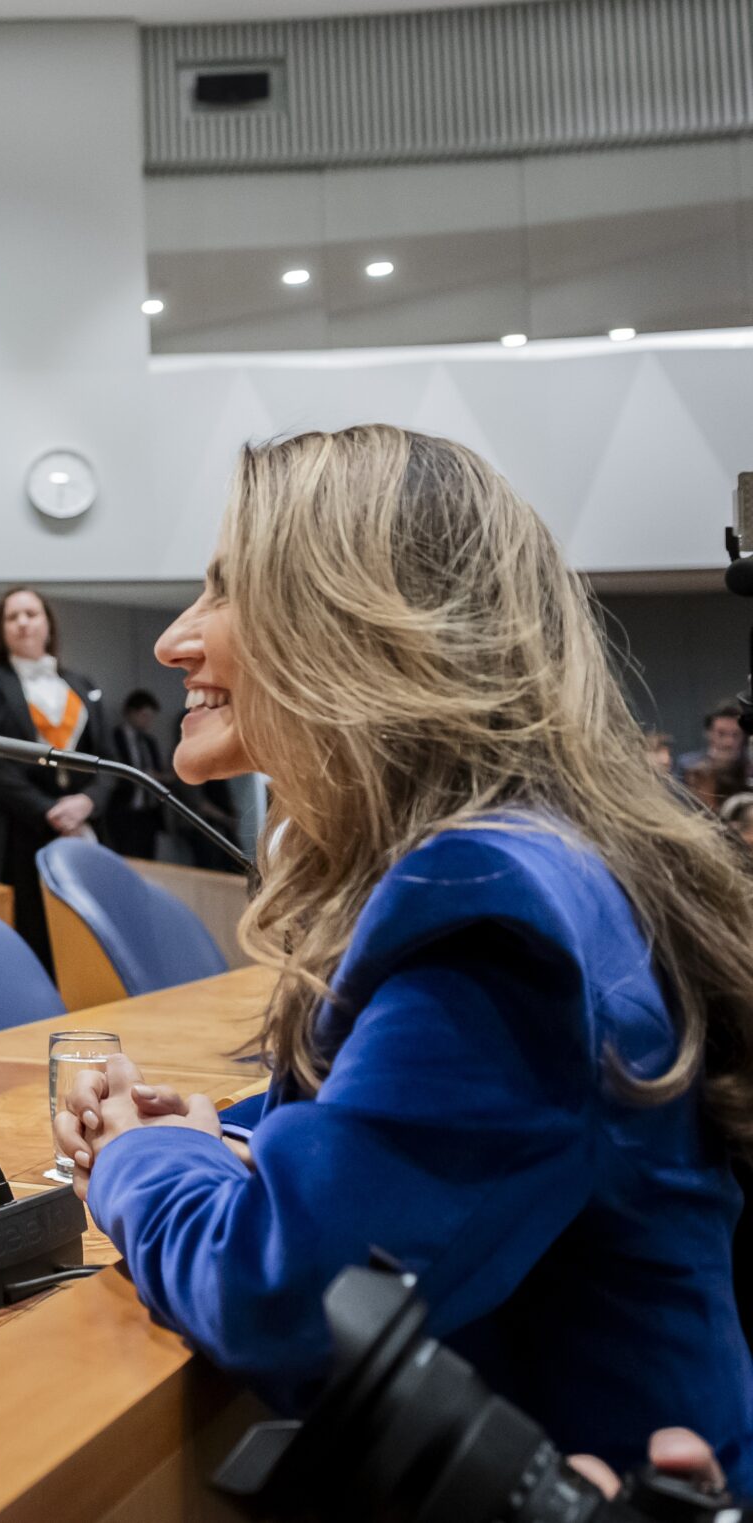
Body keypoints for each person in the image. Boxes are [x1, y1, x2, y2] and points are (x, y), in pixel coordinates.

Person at [53, 426, 753, 1487]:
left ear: (352, 620)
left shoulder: (489, 904)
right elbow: (431, 1137)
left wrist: (134, 1162)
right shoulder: (543, 847)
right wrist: (228, 1137)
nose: (173, 640)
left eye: (226, 591)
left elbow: (282, 1294)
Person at [0, 587, 106, 973]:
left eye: (31, 613)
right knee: (25, 943)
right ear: (1, 629)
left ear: (48, 623)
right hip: (17, 829)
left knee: (82, 936)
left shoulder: (80, 683)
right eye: (12, 617)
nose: (23, 622)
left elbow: (109, 761)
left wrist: (88, 802)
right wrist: (48, 811)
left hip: (79, 828)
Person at [100, 690, 170, 860]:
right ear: (131, 712)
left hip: (148, 812)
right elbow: (110, 773)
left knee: (149, 857)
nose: (148, 721)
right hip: (123, 811)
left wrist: (159, 777)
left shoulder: (149, 741)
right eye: (144, 715)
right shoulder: (113, 738)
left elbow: (157, 770)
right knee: (125, 858)